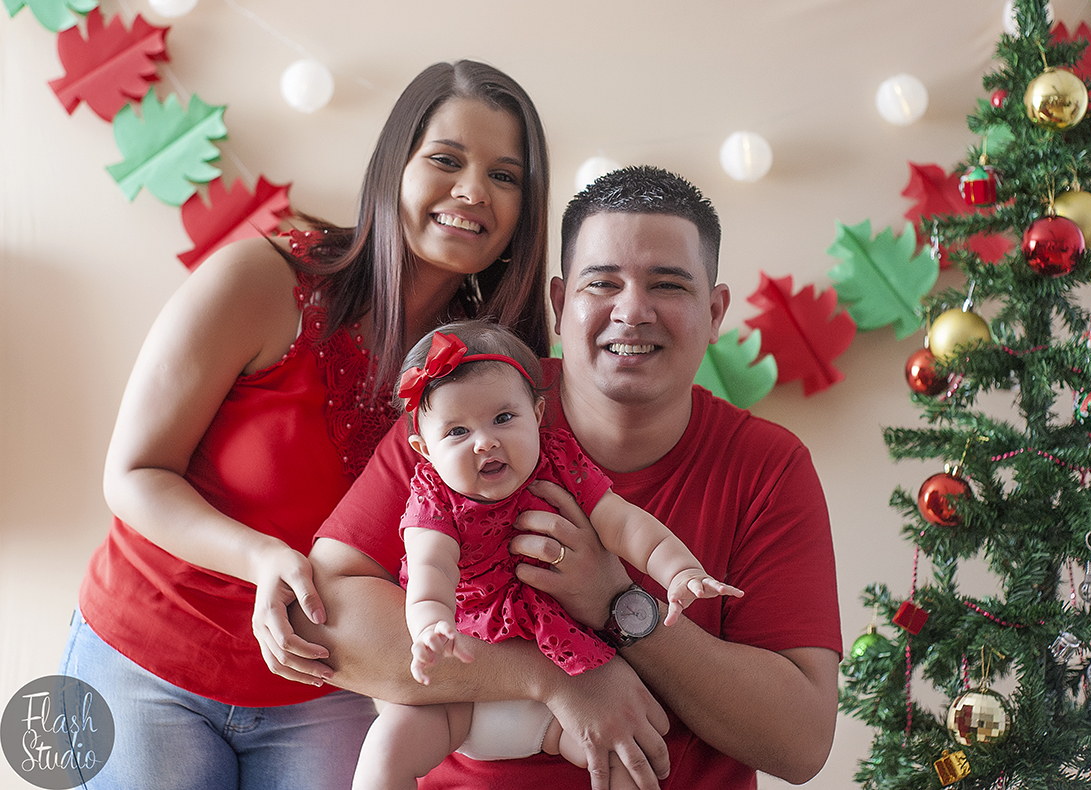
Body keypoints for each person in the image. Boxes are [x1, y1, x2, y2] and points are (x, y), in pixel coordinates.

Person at [59, 59, 552, 790]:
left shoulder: (495, 375)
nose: (472, 191)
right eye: (446, 160)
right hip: (145, 661)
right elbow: (133, 475)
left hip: (329, 692)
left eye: (504, 177)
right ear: (394, 167)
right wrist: (261, 558)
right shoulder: (260, 283)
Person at [298, 165, 842, 790]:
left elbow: (800, 743)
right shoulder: (466, 411)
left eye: (667, 284)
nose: (633, 311)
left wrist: (615, 604)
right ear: (559, 304)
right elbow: (324, 620)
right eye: (602, 283)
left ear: (715, 311)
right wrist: (556, 675)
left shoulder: (768, 467)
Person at [351, 320, 742, 790]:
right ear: (424, 451)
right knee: (385, 748)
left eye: (503, 418)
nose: (485, 442)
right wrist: (431, 623)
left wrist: (679, 570)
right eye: (457, 431)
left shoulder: (562, 466)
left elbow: (627, 525)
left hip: (568, 675)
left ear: (537, 414)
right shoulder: (435, 499)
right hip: (468, 685)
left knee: (625, 758)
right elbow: (431, 567)